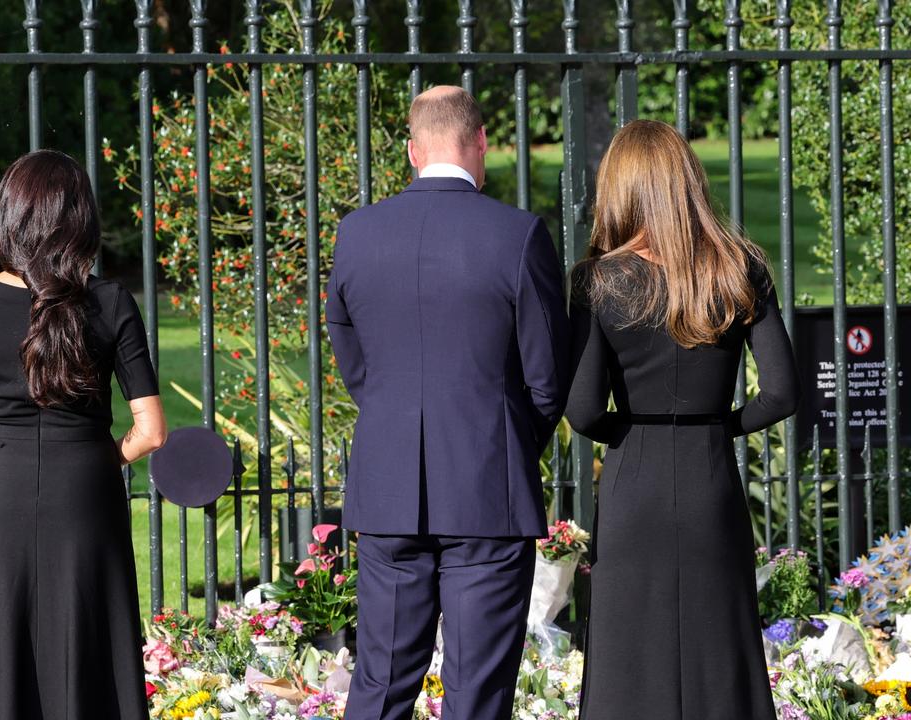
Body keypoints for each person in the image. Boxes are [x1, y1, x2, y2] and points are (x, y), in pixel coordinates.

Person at [327, 85, 571, 720]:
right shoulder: (517, 234)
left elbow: (354, 360)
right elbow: (548, 378)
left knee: (378, 689)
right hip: (488, 492)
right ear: (481, 141)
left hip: (388, 491)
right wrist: (502, 441)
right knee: (476, 696)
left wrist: (392, 415)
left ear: (412, 150)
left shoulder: (357, 234)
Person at [566, 119, 799, 719]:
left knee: (625, 651)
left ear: (619, 188)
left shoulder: (597, 281)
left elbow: (585, 408)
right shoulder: (738, 267)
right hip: (711, 477)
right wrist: (719, 427)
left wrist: (633, 430)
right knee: (720, 643)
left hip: (632, 481)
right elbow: (781, 393)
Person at [0, 149, 166, 719]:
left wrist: (0, 451)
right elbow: (151, 431)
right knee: (88, 630)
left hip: (1, 485)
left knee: (1, 630)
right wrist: (98, 456)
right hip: (87, 482)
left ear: (8, 216)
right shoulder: (109, 302)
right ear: (80, 219)